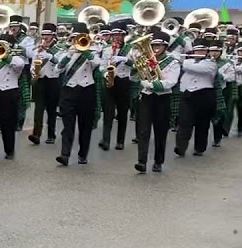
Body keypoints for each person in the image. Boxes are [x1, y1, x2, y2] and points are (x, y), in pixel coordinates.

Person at [55, 23, 104, 166]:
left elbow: (97, 63)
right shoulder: (65, 51)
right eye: (75, 37)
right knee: (67, 126)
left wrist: (85, 50)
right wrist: (70, 53)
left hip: (86, 91)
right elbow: (58, 69)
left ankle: (83, 154)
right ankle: (65, 154)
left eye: (81, 37)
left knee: (85, 126)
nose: (78, 40)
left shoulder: (93, 50)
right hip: (69, 91)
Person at [132, 30, 180, 173]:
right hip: (146, 97)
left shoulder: (172, 62)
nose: (155, 48)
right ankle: (142, 161)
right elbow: (133, 78)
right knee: (143, 131)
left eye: (159, 45)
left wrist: (151, 85)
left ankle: (158, 161)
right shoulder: (144, 59)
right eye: (153, 45)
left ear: (166, 47)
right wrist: (136, 70)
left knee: (160, 132)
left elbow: (171, 82)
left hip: (162, 99)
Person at [175, 40, 219, 157]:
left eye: (203, 50)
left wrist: (182, 61)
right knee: (184, 122)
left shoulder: (211, 63)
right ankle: (181, 147)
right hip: (188, 95)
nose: (200, 52)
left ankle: (199, 148)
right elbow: (185, 67)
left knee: (202, 124)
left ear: (207, 52)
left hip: (205, 95)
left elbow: (199, 69)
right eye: (198, 50)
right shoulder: (188, 61)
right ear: (194, 50)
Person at [98, 21, 133, 151]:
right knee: (108, 112)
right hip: (110, 80)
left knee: (123, 112)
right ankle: (105, 140)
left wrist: (124, 60)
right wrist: (105, 73)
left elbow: (136, 65)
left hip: (124, 81)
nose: (116, 37)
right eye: (114, 35)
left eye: (119, 35)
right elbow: (101, 65)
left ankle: (120, 141)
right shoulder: (106, 49)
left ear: (124, 35)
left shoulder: (131, 49)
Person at [27, 24, 61, 145]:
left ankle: (51, 135)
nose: (45, 37)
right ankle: (36, 134)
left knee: (51, 109)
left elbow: (60, 65)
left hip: (53, 80)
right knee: (38, 109)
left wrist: (50, 56)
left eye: (48, 35)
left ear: (53, 36)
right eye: (43, 35)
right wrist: (33, 71)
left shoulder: (59, 49)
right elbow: (33, 64)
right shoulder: (38, 49)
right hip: (40, 80)